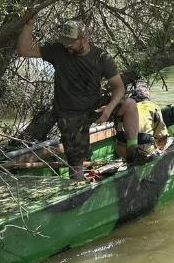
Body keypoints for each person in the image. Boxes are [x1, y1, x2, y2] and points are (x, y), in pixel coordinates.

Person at [16, 16, 144, 180]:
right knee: (76, 169)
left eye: (71, 42)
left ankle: (133, 152)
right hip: (70, 115)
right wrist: (29, 23)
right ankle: (78, 188)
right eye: (65, 41)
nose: (67, 46)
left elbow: (119, 88)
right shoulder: (58, 51)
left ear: (84, 39)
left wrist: (108, 110)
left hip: (94, 106)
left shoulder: (101, 57)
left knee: (131, 105)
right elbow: (23, 50)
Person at [114, 85, 169, 160]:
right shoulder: (153, 107)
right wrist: (160, 148)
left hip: (121, 149)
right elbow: (161, 134)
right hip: (143, 150)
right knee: (167, 140)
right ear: (148, 97)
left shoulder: (126, 106)